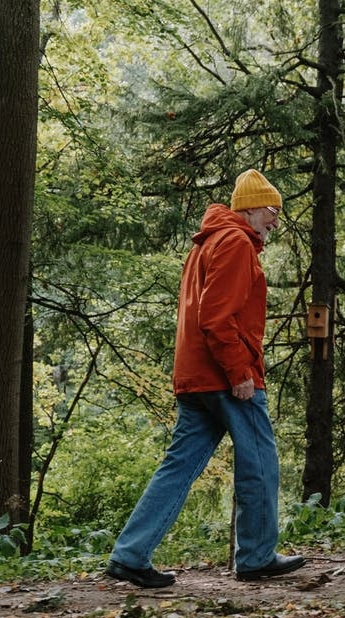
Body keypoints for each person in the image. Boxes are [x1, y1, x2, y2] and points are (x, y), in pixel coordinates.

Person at [104, 169, 306, 588]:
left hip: (195, 376)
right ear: (251, 208)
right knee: (261, 463)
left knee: (178, 466)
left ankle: (130, 554)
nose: (275, 222)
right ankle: (256, 556)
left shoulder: (208, 243)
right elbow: (216, 317)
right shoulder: (235, 243)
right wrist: (240, 372)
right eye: (272, 212)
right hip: (226, 376)